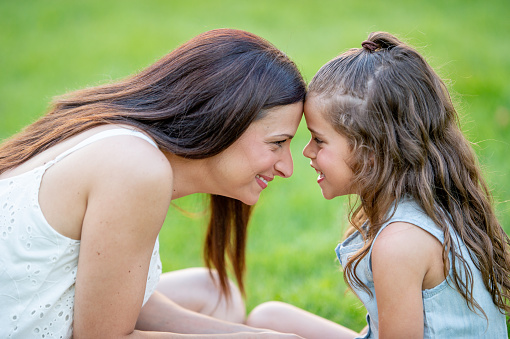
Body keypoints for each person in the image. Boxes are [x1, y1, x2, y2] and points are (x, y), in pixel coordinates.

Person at [0, 28, 306, 338]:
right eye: (277, 142)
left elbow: (115, 297)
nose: (286, 167)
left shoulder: (118, 135)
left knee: (216, 294)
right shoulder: (135, 168)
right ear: (228, 118)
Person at [246, 32, 510, 338]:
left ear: (370, 153)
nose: (307, 152)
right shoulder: (421, 206)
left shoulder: (399, 243)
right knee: (269, 319)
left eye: (319, 140)